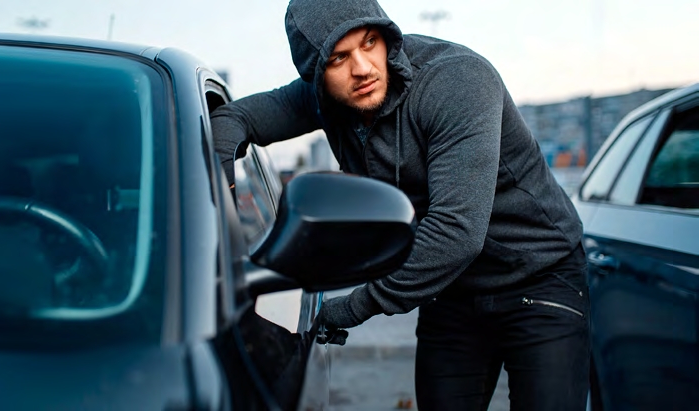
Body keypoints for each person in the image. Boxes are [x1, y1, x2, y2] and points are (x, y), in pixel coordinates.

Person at [212, 0, 589, 409]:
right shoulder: (321, 97)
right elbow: (233, 119)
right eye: (339, 58)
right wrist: (221, 193)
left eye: (369, 42)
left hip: (538, 274)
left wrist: (354, 306)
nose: (362, 68)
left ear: (385, 37)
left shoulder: (457, 80)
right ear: (315, 74)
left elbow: (456, 232)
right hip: (451, 290)